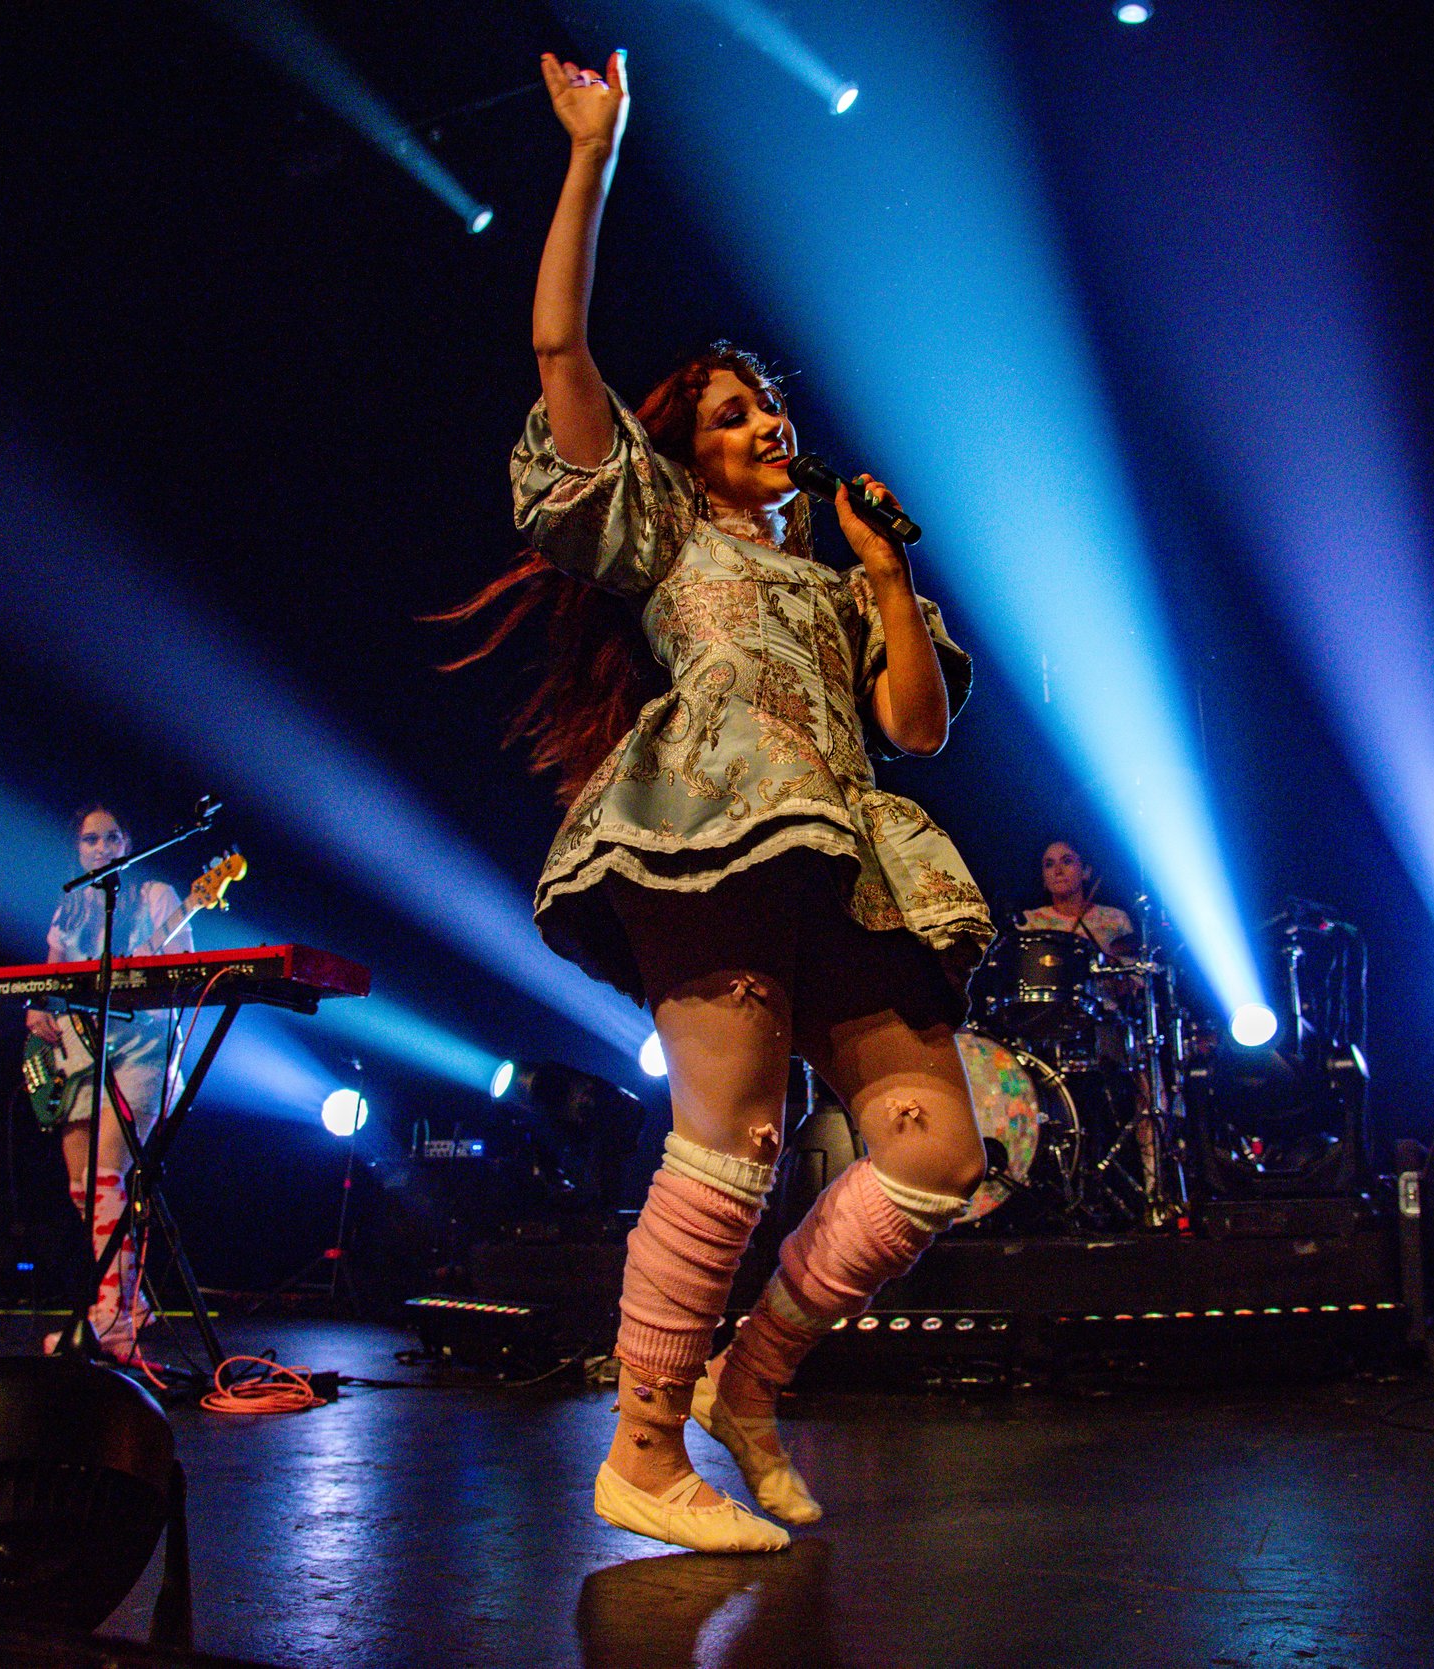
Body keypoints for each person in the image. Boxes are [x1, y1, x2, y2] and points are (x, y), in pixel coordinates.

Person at [441, 48, 995, 1553]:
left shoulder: (835, 569)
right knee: (734, 1134)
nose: (766, 427)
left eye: (772, 413)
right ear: (688, 444)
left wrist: (883, 567)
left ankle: (746, 1391)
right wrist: (592, 156)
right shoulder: (668, 529)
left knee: (939, 1150)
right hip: (717, 827)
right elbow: (563, 355)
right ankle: (640, 1449)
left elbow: (916, 727)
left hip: (853, 853)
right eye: (735, 413)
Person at [27, 804, 194, 1361]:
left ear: (128, 843)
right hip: (79, 1055)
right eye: (90, 839)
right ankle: (131, 1301)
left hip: (142, 1051)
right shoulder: (72, 905)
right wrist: (39, 1008)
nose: (101, 847)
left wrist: (140, 967)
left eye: (112, 837)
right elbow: (50, 972)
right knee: (83, 1188)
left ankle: (112, 1316)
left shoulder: (156, 897)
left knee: (105, 1177)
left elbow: (181, 971)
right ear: (78, 849)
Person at [1019, 838, 1138, 956]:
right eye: (1049, 865)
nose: (1058, 871)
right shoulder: (1029, 921)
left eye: (1067, 861)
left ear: (1086, 872)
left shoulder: (1116, 919)